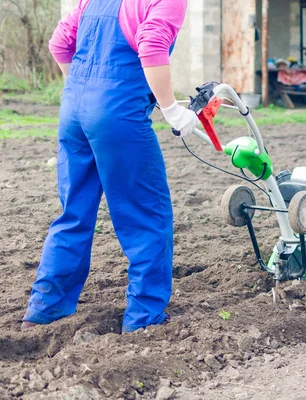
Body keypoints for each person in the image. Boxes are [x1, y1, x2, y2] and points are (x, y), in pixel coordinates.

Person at [21, 0, 199, 333]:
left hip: (74, 110)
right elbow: (152, 44)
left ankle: (45, 308)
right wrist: (171, 109)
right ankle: (143, 320)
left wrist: (85, 92)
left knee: (73, 213)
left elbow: (60, 43)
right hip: (117, 113)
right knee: (148, 216)